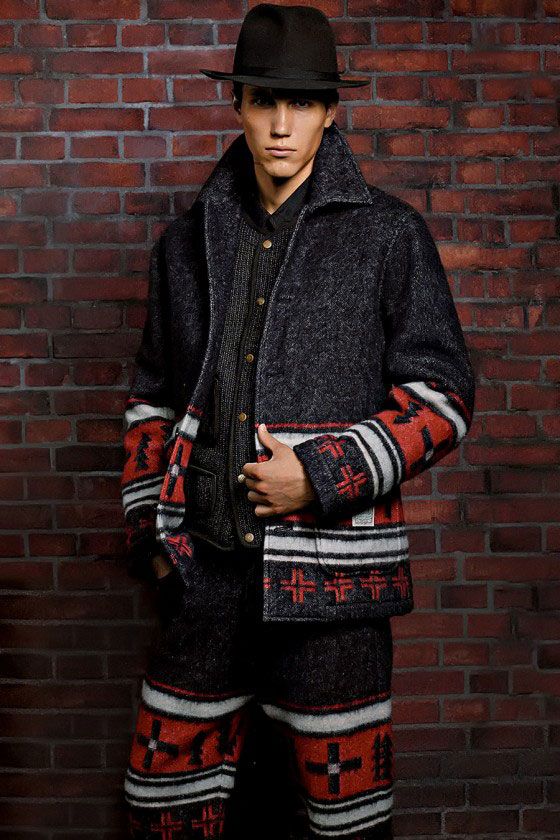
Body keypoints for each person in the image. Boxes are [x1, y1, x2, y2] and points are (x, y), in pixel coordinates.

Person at [120, 4, 476, 838]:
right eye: (265, 101)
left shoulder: (389, 236)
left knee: (340, 821)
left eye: (304, 102)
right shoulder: (183, 243)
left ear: (331, 111)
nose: (283, 125)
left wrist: (319, 475)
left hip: (332, 594)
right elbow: (151, 398)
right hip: (203, 581)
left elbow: (445, 396)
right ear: (237, 104)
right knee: (162, 807)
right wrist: (154, 540)